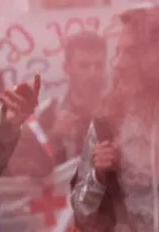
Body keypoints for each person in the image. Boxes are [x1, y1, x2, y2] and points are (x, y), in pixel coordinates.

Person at [70, 6, 159, 232]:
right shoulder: (108, 122)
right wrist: (98, 177)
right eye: (118, 52)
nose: (118, 63)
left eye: (130, 52)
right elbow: (80, 209)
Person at [39, 32, 108, 163]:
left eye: (99, 66)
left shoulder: (119, 109)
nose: (93, 73)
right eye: (84, 66)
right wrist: (55, 136)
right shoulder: (47, 113)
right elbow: (29, 168)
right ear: (67, 68)